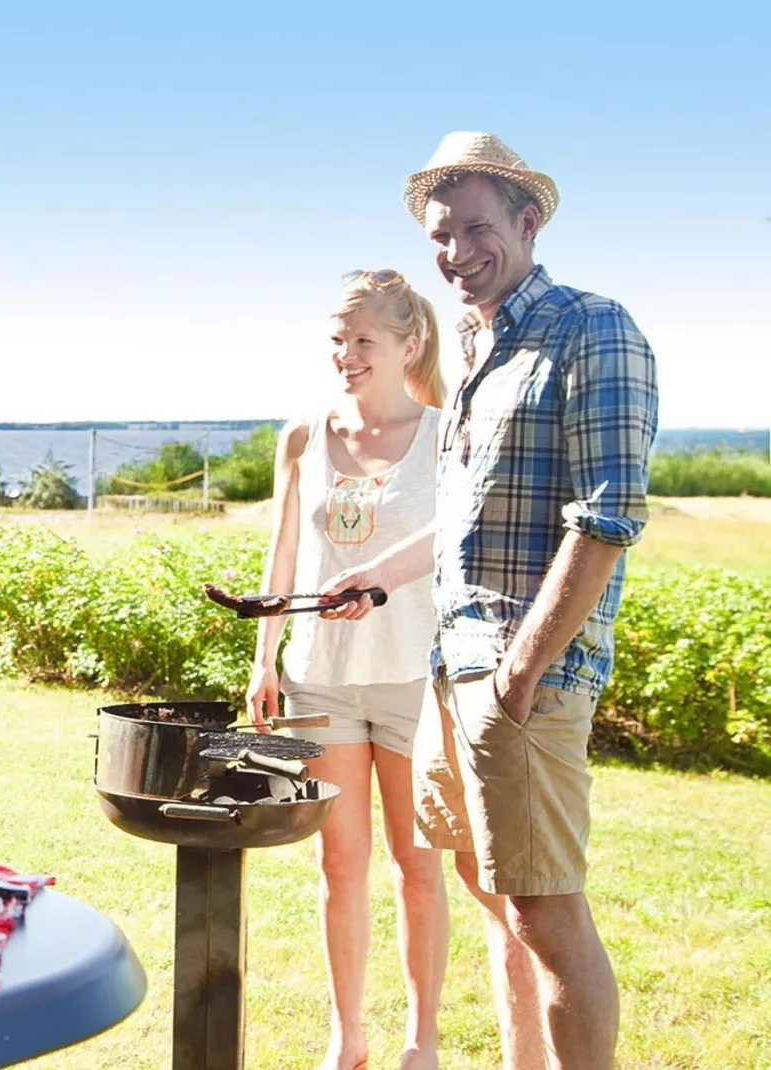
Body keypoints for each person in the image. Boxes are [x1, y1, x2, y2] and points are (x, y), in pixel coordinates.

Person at [324, 133, 658, 1070]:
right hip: (452, 665)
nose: (456, 252)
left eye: (476, 229)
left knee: (548, 915)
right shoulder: (477, 350)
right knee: (499, 896)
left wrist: (518, 676)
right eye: (441, 235)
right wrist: (382, 575)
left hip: (521, 676)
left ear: (528, 221)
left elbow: (606, 519)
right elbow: (468, 521)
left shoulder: (594, 327)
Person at [246, 270, 448, 1070]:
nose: (346, 355)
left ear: (410, 343)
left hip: (413, 677)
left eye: (363, 340)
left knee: (418, 865)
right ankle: (349, 1038)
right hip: (321, 675)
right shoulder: (304, 435)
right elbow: (283, 550)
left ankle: (421, 1041)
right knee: (340, 862)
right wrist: (265, 660)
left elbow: (451, 542)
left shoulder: (446, 432)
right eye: (337, 340)